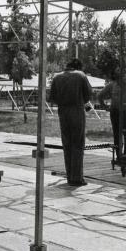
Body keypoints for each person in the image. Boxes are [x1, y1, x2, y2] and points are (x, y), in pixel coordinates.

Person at [49, 59, 93, 187]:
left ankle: (69, 176)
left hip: (63, 112)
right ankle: (77, 178)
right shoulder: (80, 75)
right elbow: (88, 95)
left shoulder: (57, 77)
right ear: (78, 67)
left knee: (67, 144)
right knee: (78, 144)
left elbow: (52, 98)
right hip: (77, 111)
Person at [98, 68, 126, 162]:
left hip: (122, 111)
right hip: (117, 111)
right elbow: (100, 95)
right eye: (118, 70)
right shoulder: (113, 85)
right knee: (120, 134)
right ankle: (121, 156)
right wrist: (105, 106)